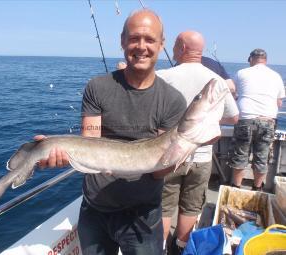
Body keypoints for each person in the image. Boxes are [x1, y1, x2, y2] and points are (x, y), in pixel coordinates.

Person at [36, 9, 187, 255]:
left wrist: (184, 151)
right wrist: (61, 152)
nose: (141, 46)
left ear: (161, 44)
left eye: (149, 39)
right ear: (122, 41)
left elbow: (159, 171)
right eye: (134, 38)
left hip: (143, 215)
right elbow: (91, 143)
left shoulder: (172, 101)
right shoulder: (97, 87)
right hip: (95, 210)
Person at [156, 30, 239, 254]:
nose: (172, 49)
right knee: (192, 204)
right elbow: (234, 117)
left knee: (164, 205)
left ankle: (161, 247)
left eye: (174, 45)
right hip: (201, 158)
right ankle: (181, 247)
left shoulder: (163, 76)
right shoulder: (218, 81)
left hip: (170, 155)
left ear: (182, 48)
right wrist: (208, 119)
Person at [228, 48, 285, 191]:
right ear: (265, 60)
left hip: (245, 120)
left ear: (251, 59)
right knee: (262, 158)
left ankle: (236, 187)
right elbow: (279, 103)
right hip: (267, 121)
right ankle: (257, 189)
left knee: (240, 156)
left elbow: (232, 92)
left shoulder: (241, 73)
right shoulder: (276, 76)